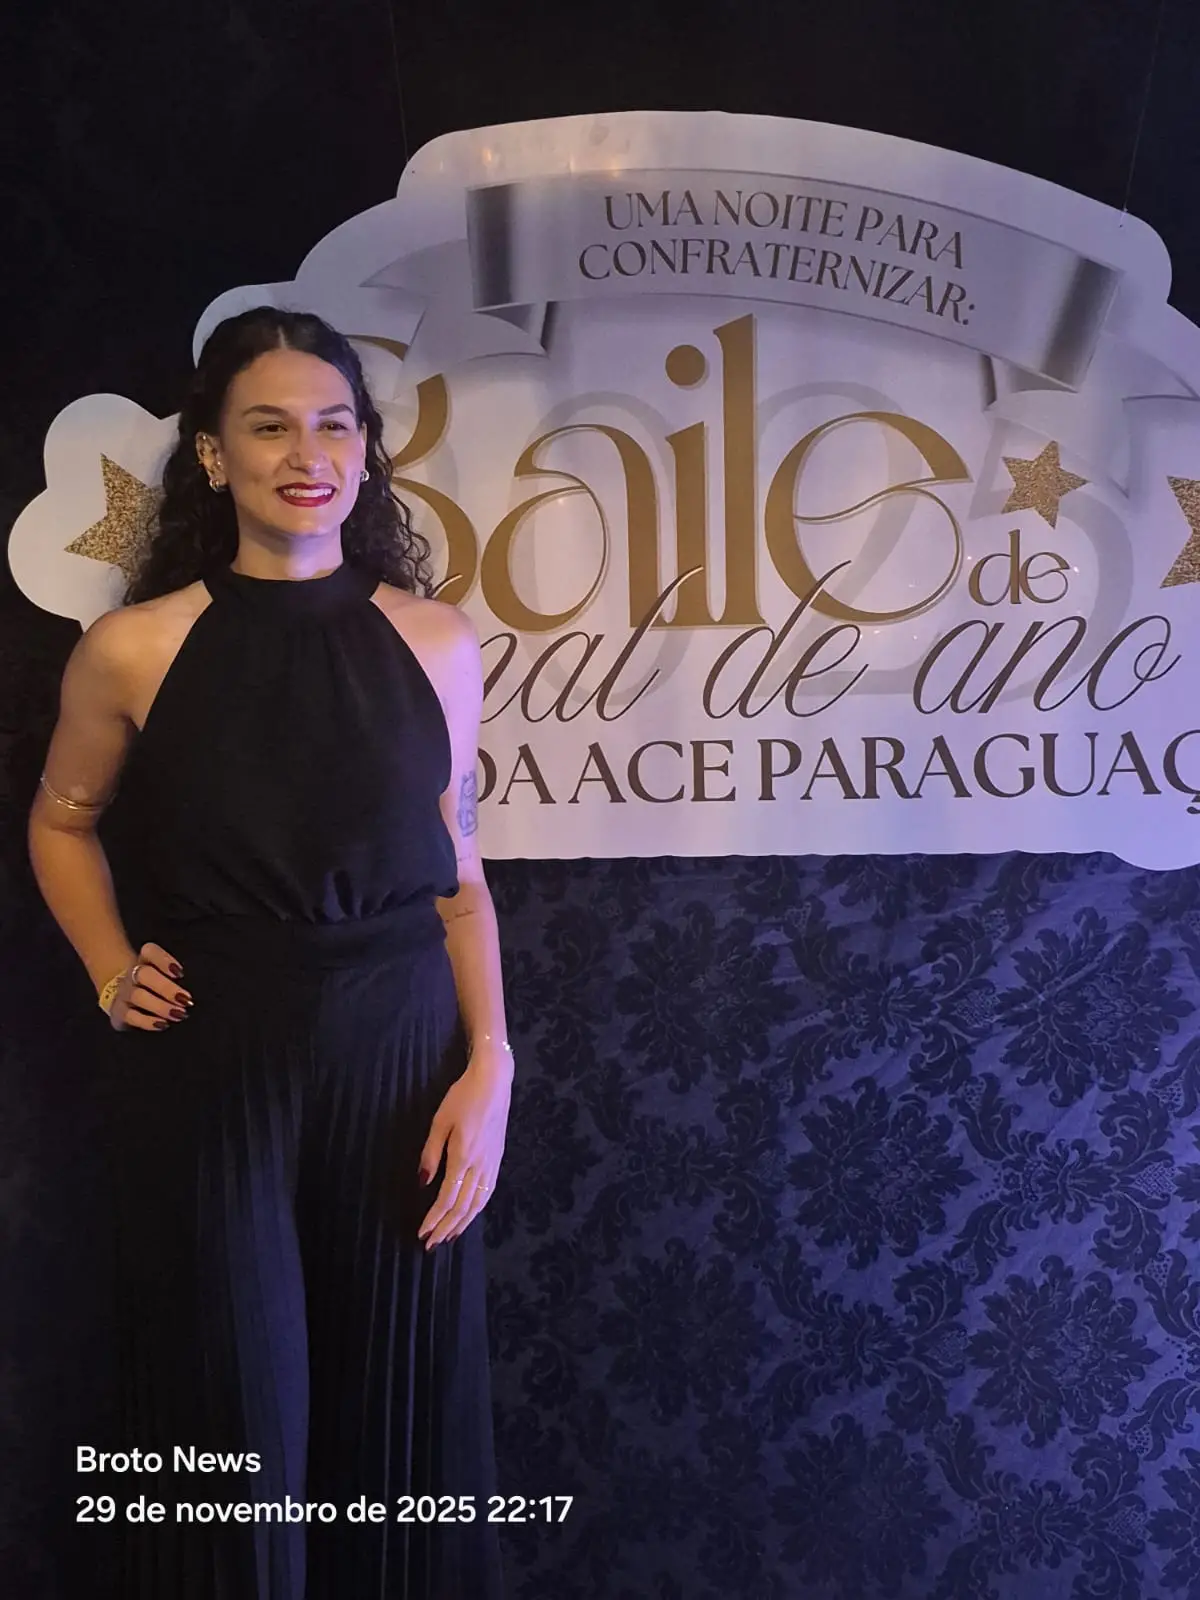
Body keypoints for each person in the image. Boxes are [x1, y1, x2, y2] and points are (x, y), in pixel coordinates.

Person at [27, 307, 512, 1598]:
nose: (309, 454)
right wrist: (108, 968)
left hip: (405, 1065)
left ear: (365, 450)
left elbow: (461, 882)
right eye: (270, 425)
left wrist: (492, 1066)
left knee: (404, 1437)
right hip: (210, 1071)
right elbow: (60, 824)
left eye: (335, 425)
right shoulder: (133, 646)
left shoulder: (438, 641)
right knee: (226, 1430)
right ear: (212, 455)